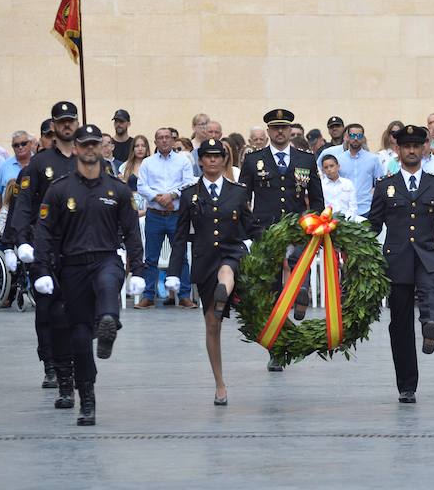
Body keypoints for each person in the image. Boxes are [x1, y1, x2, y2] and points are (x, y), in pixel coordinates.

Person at [32, 124, 145, 426]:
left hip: (107, 257)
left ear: (103, 147)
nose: (90, 149)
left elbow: (133, 232)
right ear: (78, 148)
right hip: (72, 267)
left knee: (109, 282)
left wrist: (139, 268)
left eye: (96, 144)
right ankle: (87, 399)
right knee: (80, 339)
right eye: (85, 144)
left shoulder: (118, 190)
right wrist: (41, 268)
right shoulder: (60, 189)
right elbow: (43, 232)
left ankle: (109, 322)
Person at [368, 125, 434, 404]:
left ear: (424, 149)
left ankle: (430, 324)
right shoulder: (386, 186)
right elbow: (373, 225)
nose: (411, 150)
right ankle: (406, 386)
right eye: (405, 146)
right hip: (396, 259)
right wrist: (351, 239)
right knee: (399, 325)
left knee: (431, 293)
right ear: (397, 150)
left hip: (429, 255)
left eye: (415, 146)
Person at [166, 138, 262, 405]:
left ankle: (224, 291)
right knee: (212, 324)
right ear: (200, 161)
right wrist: (174, 271)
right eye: (207, 156)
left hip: (233, 253)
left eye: (217, 156)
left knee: (227, 272)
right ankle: (220, 383)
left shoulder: (238, 191)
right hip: (204, 259)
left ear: (224, 160)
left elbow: (251, 227)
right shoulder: (189, 194)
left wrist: (275, 241)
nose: (212, 161)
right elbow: (180, 235)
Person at [239, 108, 324, 372]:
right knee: (273, 291)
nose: (279, 132)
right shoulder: (255, 160)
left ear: (290, 131)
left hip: (298, 228)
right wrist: (250, 231)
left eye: (284, 128)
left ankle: (302, 292)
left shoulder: (305, 159)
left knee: (300, 263)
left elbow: (317, 198)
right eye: (274, 128)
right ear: (268, 131)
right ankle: (277, 349)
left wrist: (315, 223)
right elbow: (242, 200)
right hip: (265, 231)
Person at [9, 101, 82, 394]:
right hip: (46, 246)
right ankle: (50, 364)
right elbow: (23, 205)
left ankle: (75, 361)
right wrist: (20, 240)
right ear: (53, 125)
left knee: (78, 309)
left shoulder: (86, 158)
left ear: (77, 123)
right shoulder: (39, 163)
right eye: (61, 121)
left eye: (71, 120)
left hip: (79, 246)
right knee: (48, 310)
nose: (67, 125)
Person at [135, 128, 196, 309]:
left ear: (172, 140)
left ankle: (184, 296)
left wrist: (172, 195)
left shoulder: (183, 161)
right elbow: (141, 186)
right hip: (154, 215)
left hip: (176, 216)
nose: (164, 141)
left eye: (167, 138)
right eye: (160, 138)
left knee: (181, 256)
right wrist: (158, 198)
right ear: (155, 141)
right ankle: (148, 296)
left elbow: (189, 183)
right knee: (151, 258)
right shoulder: (147, 163)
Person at [334, 124, 383, 218]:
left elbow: (379, 184)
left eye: (359, 136)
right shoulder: (339, 160)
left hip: (367, 209)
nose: (356, 138)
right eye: (352, 135)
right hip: (344, 210)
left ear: (363, 138)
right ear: (347, 137)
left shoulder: (373, 159)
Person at [0, 131, 32, 213]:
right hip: (9, 215)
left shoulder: (38, 162)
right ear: (12, 147)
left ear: (30, 143)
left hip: (33, 214)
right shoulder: (4, 165)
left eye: (23, 143)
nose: (20, 147)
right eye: (16, 145)